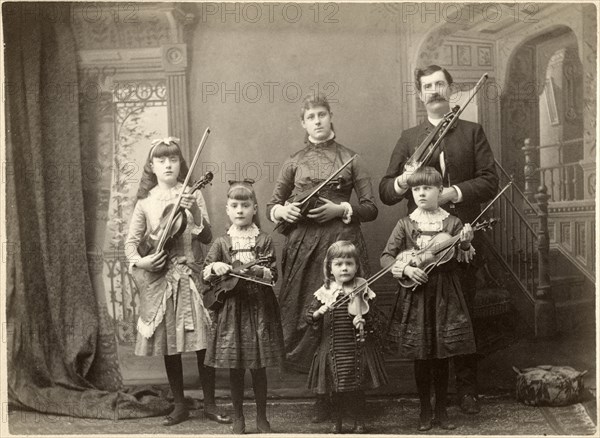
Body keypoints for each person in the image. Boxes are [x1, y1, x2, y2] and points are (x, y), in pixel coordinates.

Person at [379, 65, 498, 414]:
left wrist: (452, 194)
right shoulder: (409, 138)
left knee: (465, 315)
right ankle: (431, 400)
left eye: (440, 85)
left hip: (461, 235)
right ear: (420, 95)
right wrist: (402, 182)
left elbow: (489, 181)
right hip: (420, 245)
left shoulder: (472, 132)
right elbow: (386, 190)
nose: (434, 90)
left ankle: (467, 390)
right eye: (427, 86)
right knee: (427, 320)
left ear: (451, 90)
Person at [267, 93, 378, 422]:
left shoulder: (351, 158)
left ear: (330, 117)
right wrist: (284, 209)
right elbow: (274, 204)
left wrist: (340, 208)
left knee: (346, 316)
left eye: (321, 114)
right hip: (304, 249)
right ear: (303, 123)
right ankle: (321, 396)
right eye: (310, 116)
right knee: (314, 317)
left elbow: (371, 208)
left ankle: (350, 395)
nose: (317, 121)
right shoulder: (294, 160)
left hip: (342, 245)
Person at [125, 137, 231, 426]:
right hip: (162, 279)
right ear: (152, 166)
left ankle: (209, 404)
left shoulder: (192, 195)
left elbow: (207, 237)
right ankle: (180, 405)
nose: (168, 164)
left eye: (173, 159)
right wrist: (144, 262)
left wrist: (194, 212)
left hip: (192, 274)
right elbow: (131, 246)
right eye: (161, 160)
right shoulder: (145, 203)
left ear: (180, 163)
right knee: (169, 341)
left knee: (203, 342)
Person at [381, 166, 477, 431]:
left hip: (445, 292)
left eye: (427, 188)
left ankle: (442, 412)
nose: (421, 193)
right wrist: (407, 268)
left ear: (440, 190)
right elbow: (386, 256)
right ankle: (424, 411)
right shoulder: (406, 224)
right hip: (416, 293)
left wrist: (465, 243)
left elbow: (463, 259)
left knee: (442, 355)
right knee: (421, 356)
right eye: (416, 189)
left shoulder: (453, 224)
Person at [202, 180, 284, 434]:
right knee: (234, 368)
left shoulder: (264, 240)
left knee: (258, 368)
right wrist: (216, 267)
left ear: (254, 208)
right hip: (231, 311)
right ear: (227, 209)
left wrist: (260, 269)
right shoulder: (221, 243)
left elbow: (273, 275)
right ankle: (238, 417)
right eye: (235, 205)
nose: (240, 210)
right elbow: (205, 274)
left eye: (245, 205)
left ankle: (262, 418)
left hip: (259, 308)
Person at [306, 241, 388, 434]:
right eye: (339, 264)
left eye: (349, 263)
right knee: (336, 389)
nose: (344, 268)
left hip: (357, 348)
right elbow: (309, 316)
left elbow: (377, 317)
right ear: (330, 268)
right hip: (334, 348)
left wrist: (365, 318)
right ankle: (337, 422)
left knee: (358, 389)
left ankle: (359, 421)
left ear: (356, 266)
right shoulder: (324, 292)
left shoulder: (362, 288)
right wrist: (319, 312)